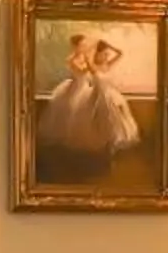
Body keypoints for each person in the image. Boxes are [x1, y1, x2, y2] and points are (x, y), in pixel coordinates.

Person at [36, 32, 142, 181]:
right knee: (86, 118)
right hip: (83, 89)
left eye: (106, 55)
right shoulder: (81, 62)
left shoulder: (102, 64)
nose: (105, 57)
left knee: (113, 119)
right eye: (103, 54)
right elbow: (83, 71)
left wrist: (106, 46)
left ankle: (108, 150)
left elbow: (119, 54)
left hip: (103, 93)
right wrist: (87, 56)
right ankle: (94, 155)